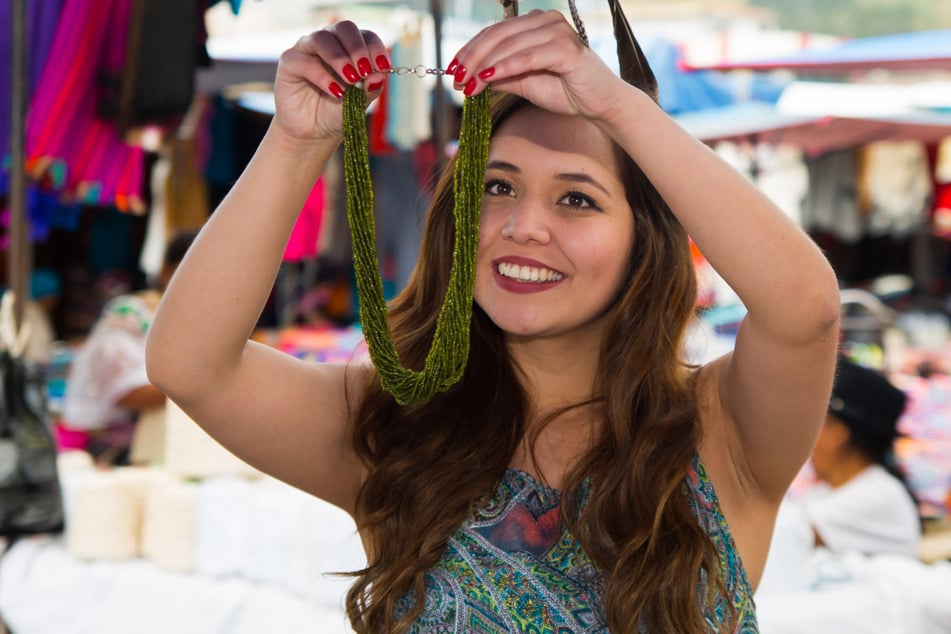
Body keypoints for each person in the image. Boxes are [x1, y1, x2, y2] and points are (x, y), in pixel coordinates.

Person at [145, 9, 840, 633]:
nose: (522, 226)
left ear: (641, 242)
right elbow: (190, 365)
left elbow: (802, 310)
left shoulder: (719, 427)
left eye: (576, 199)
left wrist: (615, 107)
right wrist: (297, 141)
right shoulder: (398, 427)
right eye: (496, 186)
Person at [61, 229, 198, 466]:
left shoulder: (205, 322)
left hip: (182, 455)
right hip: (124, 456)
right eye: (195, 270)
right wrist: (201, 386)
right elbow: (125, 393)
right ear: (167, 271)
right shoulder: (130, 315)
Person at [800, 356, 921, 558]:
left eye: (813, 423)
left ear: (838, 432)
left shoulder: (877, 494)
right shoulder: (827, 493)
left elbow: (782, 535)